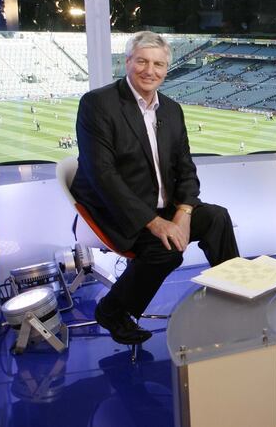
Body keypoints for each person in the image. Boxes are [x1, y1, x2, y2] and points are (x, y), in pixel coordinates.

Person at [71, 31, 240, 345]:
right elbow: (102, 176)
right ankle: (112, 310)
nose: (150, 71)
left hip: (162, 204)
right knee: (167, 251)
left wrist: (184, 212)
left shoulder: (172, 110)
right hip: (115, 209)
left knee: (217, 217)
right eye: (143, 62)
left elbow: (186, 168)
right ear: (128, 62)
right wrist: (155, 221)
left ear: (167, 68)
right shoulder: (98, 104)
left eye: (158, 64)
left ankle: (235, 292)